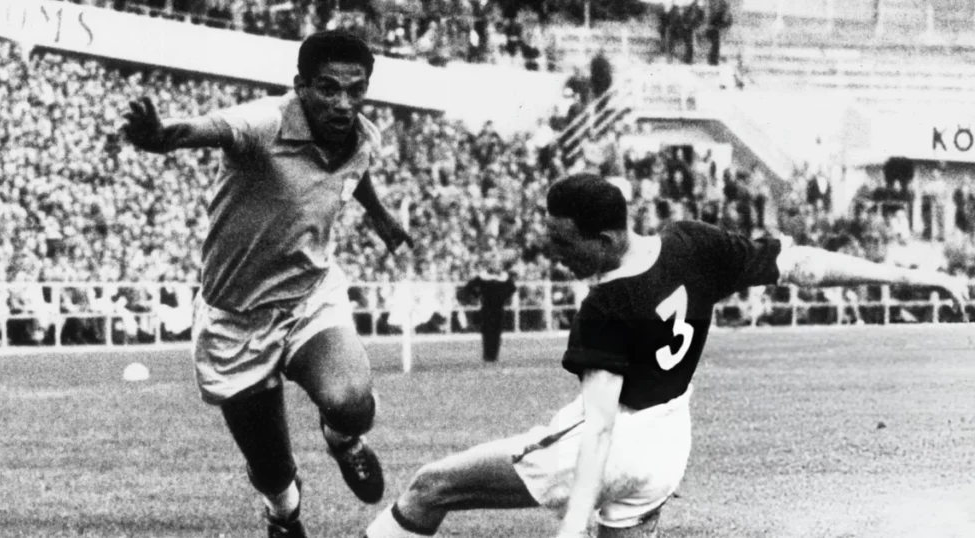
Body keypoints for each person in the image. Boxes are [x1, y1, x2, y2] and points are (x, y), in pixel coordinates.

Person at [363, 173, 970, 538]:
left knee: (429, 487)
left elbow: (598, 426)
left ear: (602, 239)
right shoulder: (693, 245)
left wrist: (572, 522)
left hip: (613, 446)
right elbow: (803, 263)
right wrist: (911, 278)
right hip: (668, 447)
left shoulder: (608, 305)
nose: (554, 253)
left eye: (561, 242)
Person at [120, 30, 413, 538]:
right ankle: (283, 515)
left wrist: (383, 219)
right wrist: (164, 136)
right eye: (327, 89)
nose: (343, 103)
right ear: (300, 85)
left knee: (351, 402)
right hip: (235, 315)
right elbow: (215, 127)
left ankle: (343, 441)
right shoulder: (267, 122)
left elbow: (352, 171)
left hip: (308, 297)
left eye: (355, 89)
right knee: (273, 470)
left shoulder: (362, 135)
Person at [462, 258, 517, 362]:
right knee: (487, 332)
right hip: (486, 308)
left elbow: (512, 289)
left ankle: (494, 356)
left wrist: (505, 297)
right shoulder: (483, 276)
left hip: (499, 308)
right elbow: (469, 287)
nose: (497, 266)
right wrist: (477, 295)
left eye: (498, 264)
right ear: (489, 265)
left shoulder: (504, 277)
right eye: (494, 264)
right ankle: (487, 356)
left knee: (497, 332)